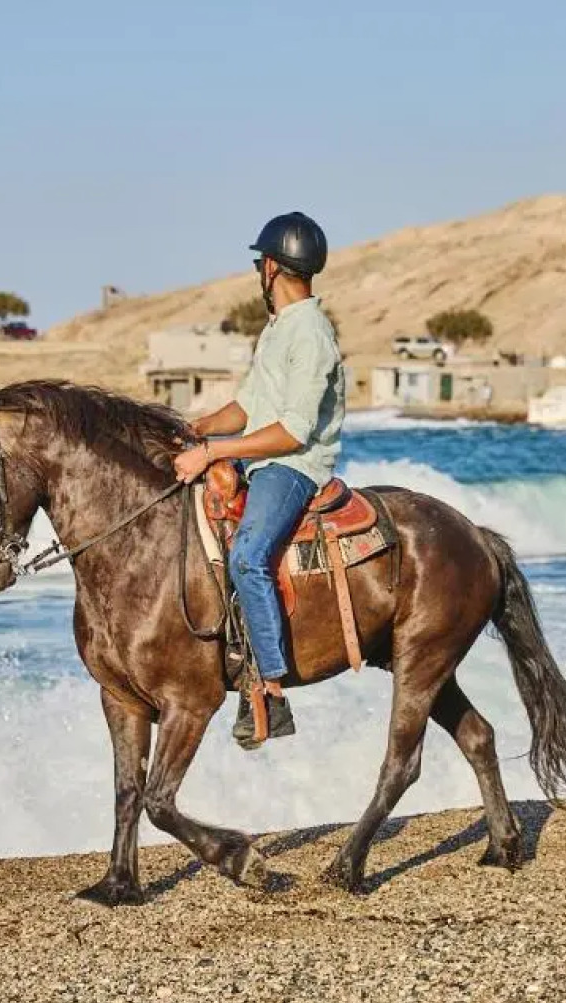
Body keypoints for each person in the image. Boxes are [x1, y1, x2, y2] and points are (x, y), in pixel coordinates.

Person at [172, 211, 346, 746]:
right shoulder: (278, 331)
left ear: (270, 267)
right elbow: (246, 408)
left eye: (258, 265)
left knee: (247, 552)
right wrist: (193, 428)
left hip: (293, 469)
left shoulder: (311, 334)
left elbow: (292, 432)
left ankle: (269, 688)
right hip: (264, 461)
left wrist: (214, 453)